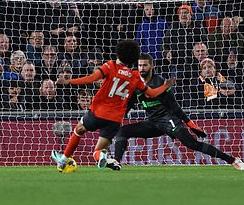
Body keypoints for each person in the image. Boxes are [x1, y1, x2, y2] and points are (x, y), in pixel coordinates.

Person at [50, 40, 175, 171]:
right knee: (97, 150)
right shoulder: (135, 76)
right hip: (115, 120)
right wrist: (166, 86)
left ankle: (63, 160)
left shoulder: (109, 66)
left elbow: (91, 78)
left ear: (118, 53)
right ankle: (105, 157)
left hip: (98, 113)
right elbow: (153, 93)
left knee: (78, 130)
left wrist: (69, 81)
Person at [112, 54, 244, 170]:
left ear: (152, 66)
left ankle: (232, 160)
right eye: (140, 65)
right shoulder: (136, 84)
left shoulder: (161, 83)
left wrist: (191, 124)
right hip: (153, 122)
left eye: (145, 65)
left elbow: (175, 107)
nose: (142, 68)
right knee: (122, 131)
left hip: (169, 121)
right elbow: (129, 103)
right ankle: (117, 162)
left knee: (192, 144)